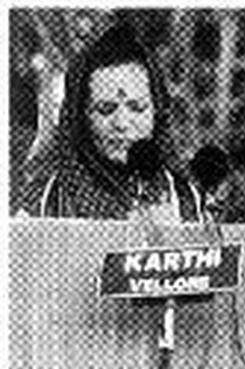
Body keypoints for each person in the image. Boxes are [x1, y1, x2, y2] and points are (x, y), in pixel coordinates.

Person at [19, 22, 202, 222]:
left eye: (137, 108)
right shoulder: (47, 202)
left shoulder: (184, 199)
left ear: (157, 113)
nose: (121, 124)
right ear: (81, 119)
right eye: (105, 110)